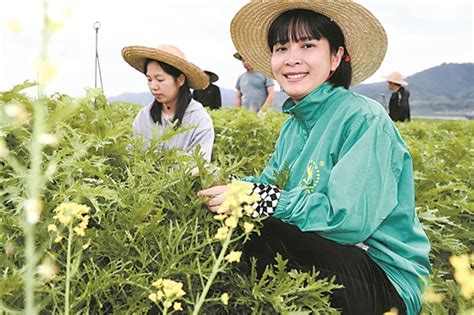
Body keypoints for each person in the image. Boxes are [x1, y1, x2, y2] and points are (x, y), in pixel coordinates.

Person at [199, 2, 431, 315]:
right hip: (330, 255)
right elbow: (269, 186)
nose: (292, 58)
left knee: (263, 230)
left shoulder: (364, 119)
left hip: (383, 277)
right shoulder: (294, 125)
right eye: (282, 47)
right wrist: (225, 188)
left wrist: (263, 199)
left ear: (336, 57)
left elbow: (349, 222)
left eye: (308, 45)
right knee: (235, 221)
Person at [122, 44, 214, 161]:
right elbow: (132, 156)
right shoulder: (144, 117)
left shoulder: (199, 119)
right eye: (149, 79)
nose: (153, 86)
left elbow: (200, 164)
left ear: (180, 80)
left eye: (160, 79)